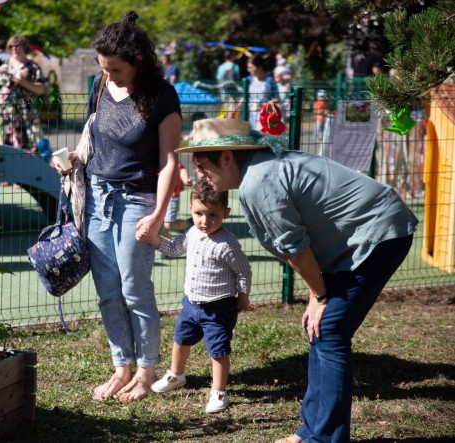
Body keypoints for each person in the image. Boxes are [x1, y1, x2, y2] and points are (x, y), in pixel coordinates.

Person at [178, 117, 418, 443]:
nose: (199, 175)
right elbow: (303, 247)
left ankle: (324, 438)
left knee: (330, 329)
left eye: (202, 165)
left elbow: (296, 249)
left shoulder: (258, 182)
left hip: (379, 233)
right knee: (319, 328)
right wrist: (314, 294)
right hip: (354, 240)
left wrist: (320, 298)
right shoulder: (259, 169)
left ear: (227, 157)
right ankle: (309, 432)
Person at [54, 11, 181, 401]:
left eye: (117, 69)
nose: (110, 76)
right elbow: (92, 132)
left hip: (138, 201)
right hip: (96, 197)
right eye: (104, 69)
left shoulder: (162, 95)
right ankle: (121, 366)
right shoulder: (100, 84)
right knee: (108, 290)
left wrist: (158, 216)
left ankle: (145, 372)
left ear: (138, 60)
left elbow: (170, 161)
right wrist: (73, 157)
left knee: (134, 288)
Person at [145, 179, 251, 414]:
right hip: (191, 303)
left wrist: (243, 295)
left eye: (213, 215)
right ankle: (176, 374)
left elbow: (243, 270)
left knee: (218, 350)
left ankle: (219, 392)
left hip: (219, 307)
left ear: (226, 213)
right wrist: (154, 239)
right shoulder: (192, 233)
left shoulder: (227, 243)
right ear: (191, 210)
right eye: (199, 214)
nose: (205, 221)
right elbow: (173, 248)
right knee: (180, 339)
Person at [0, 35, 46, 154]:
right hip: (5, 111)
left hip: (25, 111)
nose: (13, 48)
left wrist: (22, 82)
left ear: (24, 47)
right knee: (4, 146)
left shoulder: (33, 67)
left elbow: (40, 89)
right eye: (11, 46)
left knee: (30, 145)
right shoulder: (3, 64)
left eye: (17, 45)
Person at [247, 54, 279, 131]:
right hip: (250, 116)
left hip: (266, 116)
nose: (249, 70)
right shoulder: (249, 80)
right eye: (248, 67)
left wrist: (264, 105)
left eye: (251, 67)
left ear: (260, 67)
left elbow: (277, 99)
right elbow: (244, 97)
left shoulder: (269, 80)